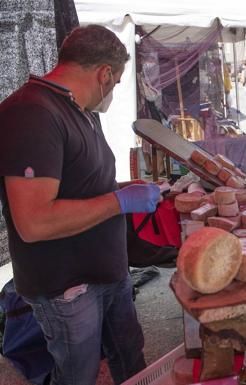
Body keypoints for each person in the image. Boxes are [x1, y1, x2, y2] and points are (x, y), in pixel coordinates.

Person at [0, 25, 161, 385]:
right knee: (78, 376)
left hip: (106, 272)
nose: (114, 93)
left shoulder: (81, 110)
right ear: (104, 73)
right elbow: (35, 221)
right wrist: (119, 200)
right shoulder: (32, 113)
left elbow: (82, 185)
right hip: (67, 287)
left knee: (130, 357)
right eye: (117, 83)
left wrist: (124, 188)